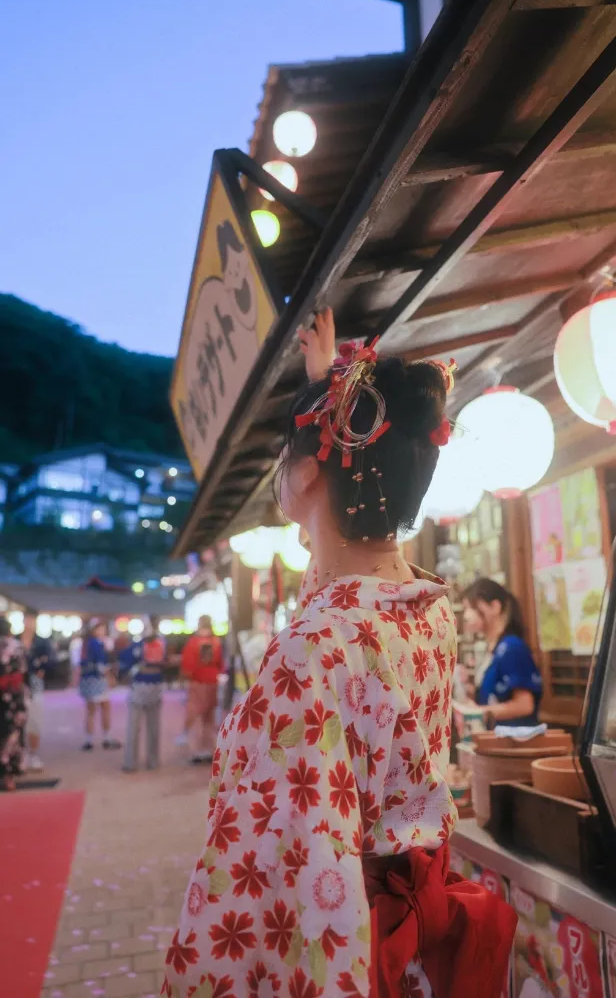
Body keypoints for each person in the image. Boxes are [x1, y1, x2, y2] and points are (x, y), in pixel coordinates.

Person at [162, 312, 516, 998]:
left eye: (283, 458)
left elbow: (283, 877)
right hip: (404, 944)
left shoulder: (312, 649)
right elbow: (343, 569)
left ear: (308, 472)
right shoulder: (424, 606)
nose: (277, 472)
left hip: (346, 949)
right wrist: (323, 389)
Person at [462, 579, 543, 728]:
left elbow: (525, 705)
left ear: (495, 607)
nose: (466, 615)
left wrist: (481, 711)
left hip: (515, 742)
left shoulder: (511, 647)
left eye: (471, 608)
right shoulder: (493, 648)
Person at [121, 616, 166, 772]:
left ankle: (145, 761)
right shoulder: (139, 645)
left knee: (150, 727)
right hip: (142, 686)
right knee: (136, 727)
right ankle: (133, 762)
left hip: (152, 686)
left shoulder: (159, 644)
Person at [179, 616, 226, 764]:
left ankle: (196, 750)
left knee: (195, 714)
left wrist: (185, 677)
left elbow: (188, 665)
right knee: (209, 717)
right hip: (212, 682)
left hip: (198, 682)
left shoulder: (193, 642)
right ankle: (209, 749)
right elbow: (221, 663)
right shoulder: (216, 642)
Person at [78, 619, 121, 751]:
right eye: (100, 628)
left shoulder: (86, 644)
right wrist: (110, 678)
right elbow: (101, 665)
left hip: (87, 679)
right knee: (105, 707)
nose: (102, 631)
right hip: (97, 679)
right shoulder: (97, 644)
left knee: (91, 710)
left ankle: (88, 739)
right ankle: (106, 738)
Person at [21, 610, 55, 772]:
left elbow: (51, 660)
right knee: (15, 723)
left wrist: (41, 669)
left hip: (34, 684)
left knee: (34, 721)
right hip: (15, 686)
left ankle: (33, 754)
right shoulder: (14, 640)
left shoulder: (42, 642)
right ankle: (17, 755)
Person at [0, 615, 28, 792]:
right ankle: (9, 777)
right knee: (12, 734)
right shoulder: (16, 647)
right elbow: (24, 671)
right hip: (13, 695)